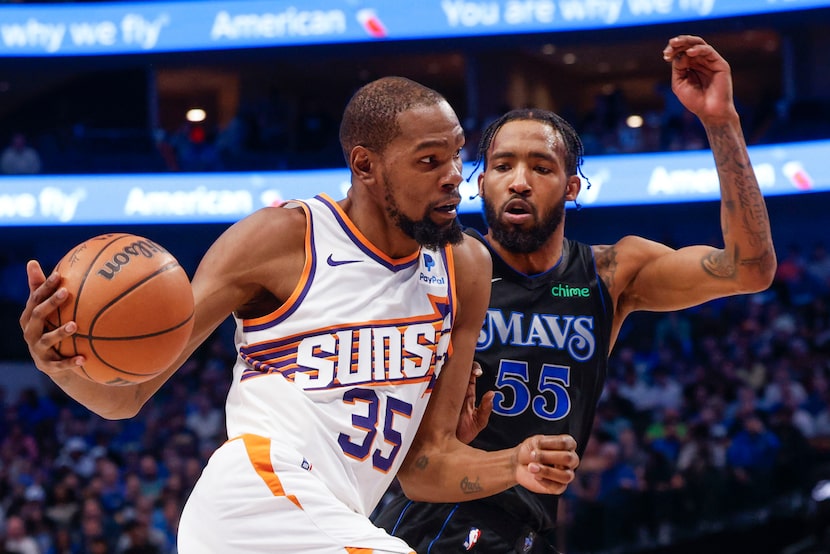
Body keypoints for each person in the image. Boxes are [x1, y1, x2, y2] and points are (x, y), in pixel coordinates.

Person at [19, 76, 579, 553]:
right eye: (430, 160)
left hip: (333, 522)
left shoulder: (465, 267)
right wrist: (58, 364)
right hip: (255, 502)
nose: (454, 174)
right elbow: (126, 396)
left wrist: (513, 464)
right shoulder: (282, 240)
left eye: (457, 154)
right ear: (366, 165)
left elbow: (425, 465)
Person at [373, 35, 777, 553]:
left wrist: (721, 122)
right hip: (426, 515)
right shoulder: (445, 262)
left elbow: (750, 269)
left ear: (571, 187)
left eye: (540, 167)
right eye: (502, 166)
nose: (519, 181)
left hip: (528, 523)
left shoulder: (611, 271)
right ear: (480, 183)